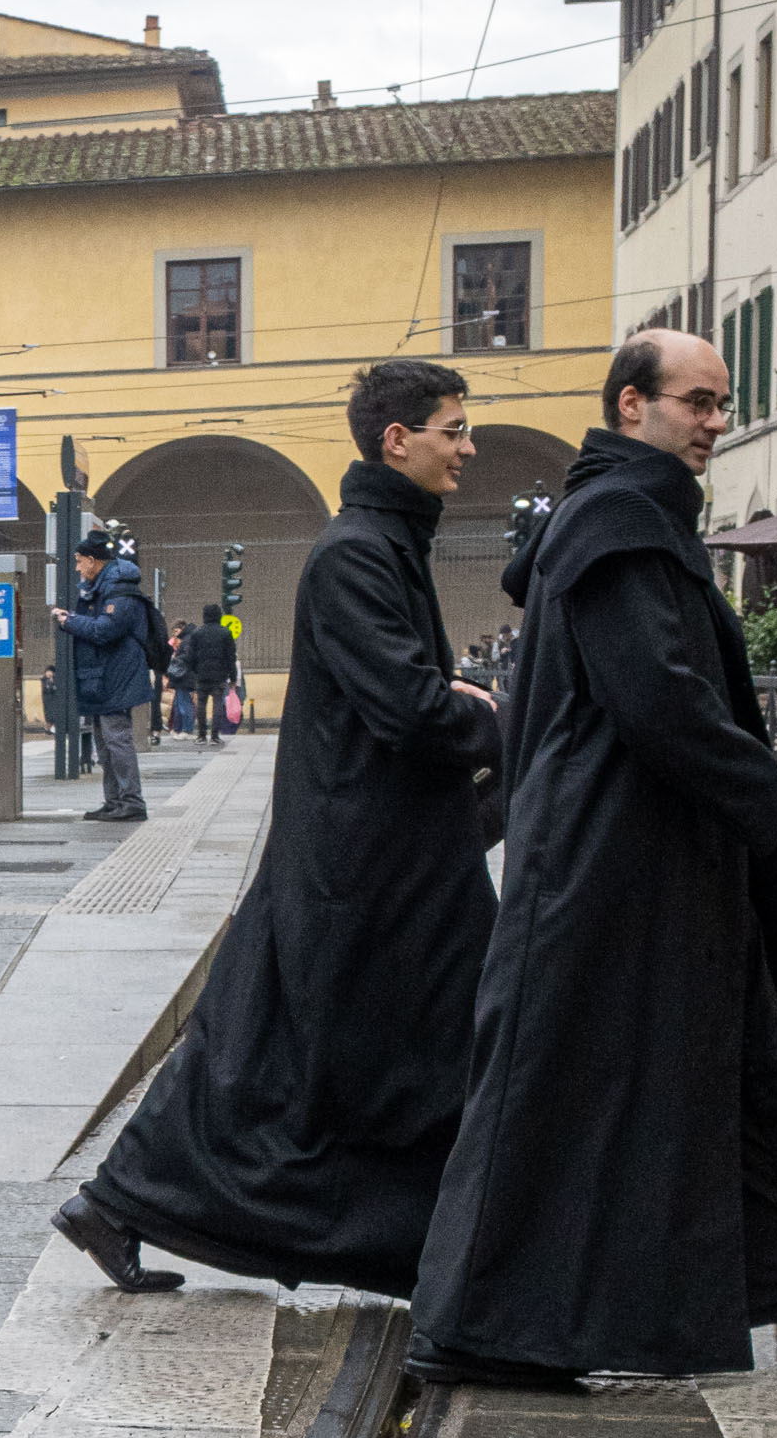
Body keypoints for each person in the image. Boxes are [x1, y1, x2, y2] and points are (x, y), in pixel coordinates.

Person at [411, 332, 777, 1387]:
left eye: (721, 403)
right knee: (563, 1087)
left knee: (765, 1059)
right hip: (617, 865)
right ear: (629, 406)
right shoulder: (617, 521)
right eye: (695, 402)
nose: (713, 420)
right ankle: (478, 1324)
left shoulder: (631, 517)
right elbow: (659, 698)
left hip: (663, 859)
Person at [60, 361, 503, 1301]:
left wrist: (457, 701)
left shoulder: (382, 542)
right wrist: (492, 716)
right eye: (453, 430)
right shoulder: (357, 552)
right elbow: (405, 706)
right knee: (319, 1048)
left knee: (267, 1039)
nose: (467, 447)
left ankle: (125, 1199)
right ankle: (445, 1247)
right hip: (370, 856)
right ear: (397, 439)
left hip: (380, 847)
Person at [52, 529, 150, 821]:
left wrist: (70, 621)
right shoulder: (102, 587)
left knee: (117, 740)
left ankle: (132, 802)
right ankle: (115, 800)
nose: (78, 568)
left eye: (80, 561)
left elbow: (105, 630)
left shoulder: (119, 589)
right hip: (103, 676)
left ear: (93, 561)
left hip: (116, 677)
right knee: (104, 741)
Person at [185, 603, 238, 742]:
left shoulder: (197, 633)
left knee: (201, 704)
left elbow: (190, 657)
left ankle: (201, 735)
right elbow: (231, 657)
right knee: (218, 703)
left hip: (201, 674)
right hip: (220, 674)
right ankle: (215, 736)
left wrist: (195, 672)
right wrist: (233, 677)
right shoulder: (225, 633)